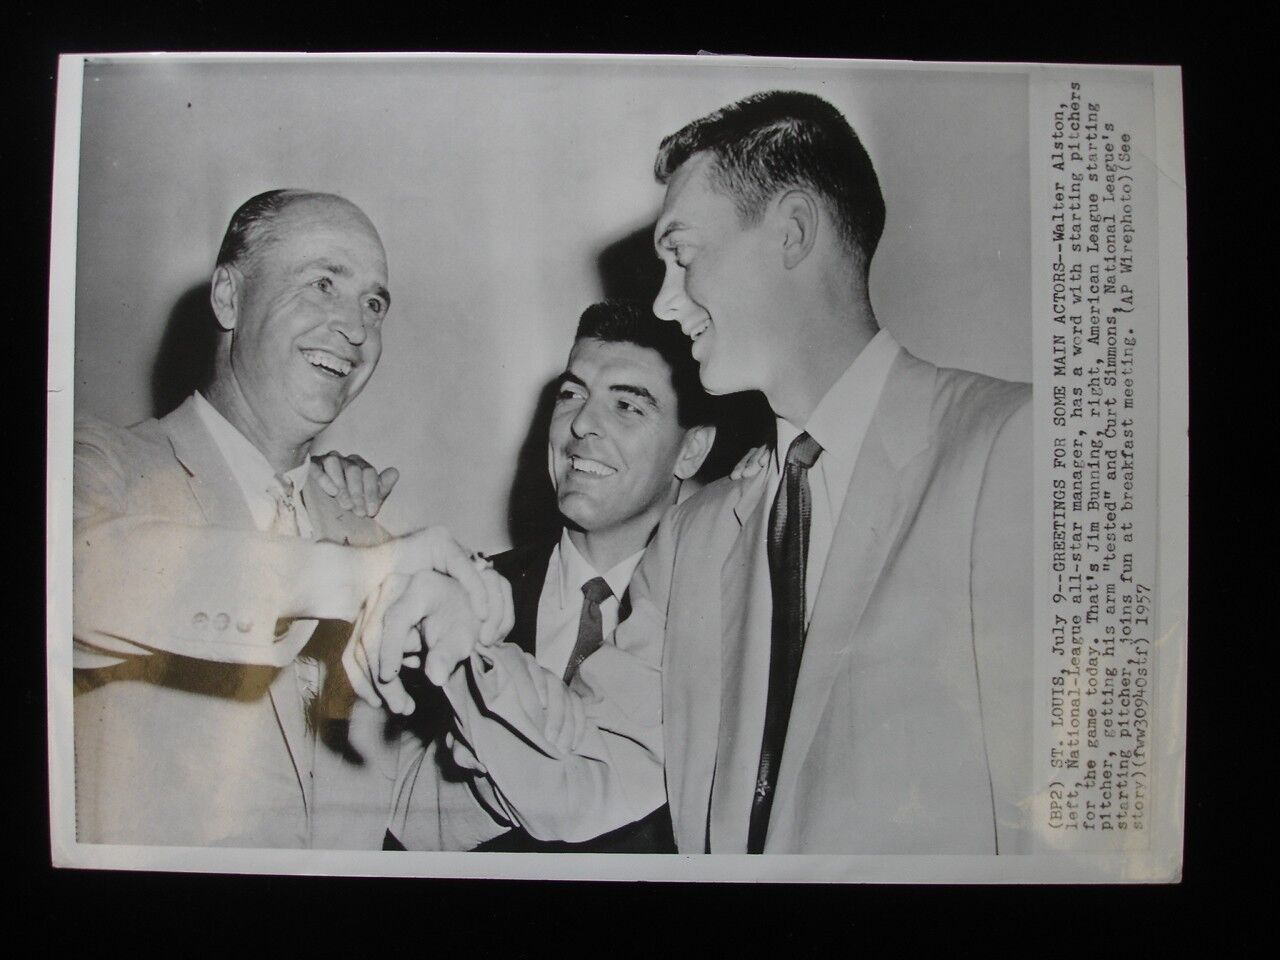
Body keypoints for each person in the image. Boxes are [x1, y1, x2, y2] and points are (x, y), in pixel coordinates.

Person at [405, 90, 1033, 853]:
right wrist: (461, 633)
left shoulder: (1010, 446)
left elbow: (1066, 826)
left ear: (792, 233)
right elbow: (585, 769)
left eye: (683, 255)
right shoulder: (696, 535)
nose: (666, 303)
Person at [72, 188, 508, 848]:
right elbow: (70, 581)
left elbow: (419, 808)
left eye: (374, 303)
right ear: (228, 297)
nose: (358, 329)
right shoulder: (104, 464)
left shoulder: (369, 540)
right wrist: (357, 576)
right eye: (323, 283)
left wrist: (485, 667)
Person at [385, 300, 716, 852]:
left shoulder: (719, 623)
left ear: (692, 449)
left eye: (628, 406)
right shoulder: (458, 599)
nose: (582, 424)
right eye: (571, 394)